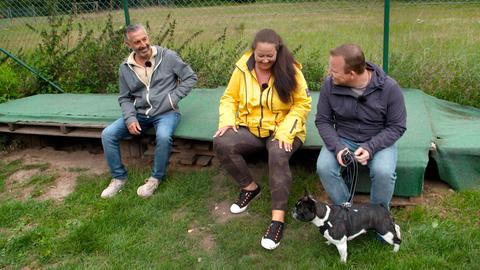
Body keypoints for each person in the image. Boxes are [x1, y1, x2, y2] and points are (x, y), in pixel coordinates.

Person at [213, 29, 312, 250]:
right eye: (261, 56)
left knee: (277, 154)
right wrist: (227, 121)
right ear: (253, 51)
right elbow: (229, 97)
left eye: (270, 56)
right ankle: (250, 188)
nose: (265, 60)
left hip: (284, 130)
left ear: (278, 51)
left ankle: (277, 220)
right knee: (221, 142)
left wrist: (286, 132)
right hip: (252, 128)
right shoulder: (241, 68)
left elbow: (302, 104)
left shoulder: (291, 70)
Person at [100, 24, 197, 199]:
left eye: (144, 39)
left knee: (162, 136)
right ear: (128, 44)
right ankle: (119, 178)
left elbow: (190, 77)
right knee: (108, 134)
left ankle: (155, 178)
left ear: (148, 37)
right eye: (137, 42)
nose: (143, 44)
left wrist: (172, 99)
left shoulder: (168, 56)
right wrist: (130, 118)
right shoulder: (125, 67)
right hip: (140, 114)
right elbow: (124, 97)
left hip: (167, 112)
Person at [315, 43, 407, 210]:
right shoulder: (329, 85)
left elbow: (397, 126)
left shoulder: (389, 88)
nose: (329, 74)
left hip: (378, 140)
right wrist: (337, 147)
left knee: (383, 172)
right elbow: (323, 120)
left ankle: (378, 218)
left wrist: (371, 147)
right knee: (324, 167)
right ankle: (347, 212)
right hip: (343, 137)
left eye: (334, 71)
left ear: (351, 74)